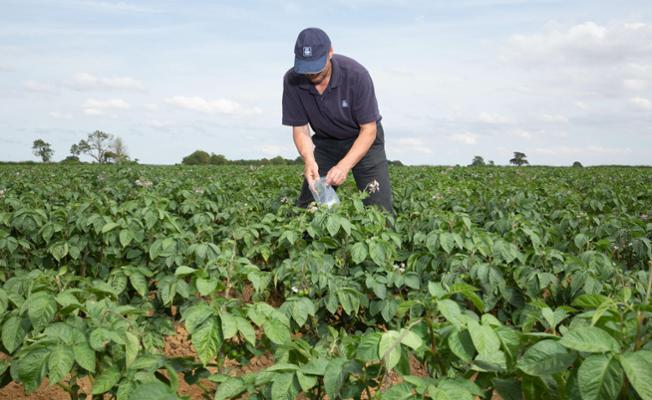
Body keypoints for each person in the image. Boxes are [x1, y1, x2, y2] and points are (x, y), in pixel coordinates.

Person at [282, 27, 393, 214]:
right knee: (309, 209)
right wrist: (309, 160)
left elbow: (369, 130)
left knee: (379, 210)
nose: (310, 74)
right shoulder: (293, 80)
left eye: (316, 65)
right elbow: (300, 129)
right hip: (326, 142)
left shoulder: (356, 75)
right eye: (305, 68)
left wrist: (343, 166)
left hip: (364, 140)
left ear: (330, 52)